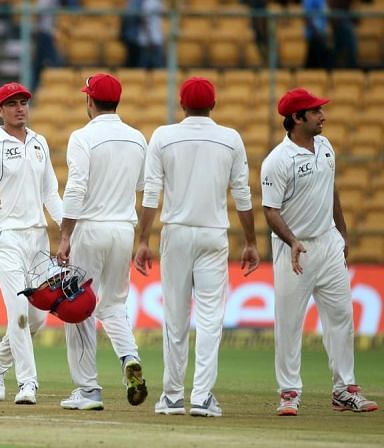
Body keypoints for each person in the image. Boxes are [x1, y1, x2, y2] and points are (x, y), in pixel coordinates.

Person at [133, 77, 260, 417]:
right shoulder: (230, 138)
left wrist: (143, 239)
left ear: (182, 105)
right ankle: (202, 397)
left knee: (174, 319)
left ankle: (173, 397)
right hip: (212, 234)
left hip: (176, 233)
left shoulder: (164, 135)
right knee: (210, 318)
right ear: (213, 105)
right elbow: (243, 196)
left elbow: (151, 194)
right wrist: (250, 241)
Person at [261, 88, 379, 416]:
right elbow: (270, 211)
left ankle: (344, 389)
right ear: (297, 118)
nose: (323, 116)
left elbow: (332, 188)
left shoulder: (325, 146)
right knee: (289, 322)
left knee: (341, 315)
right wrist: (293, 241)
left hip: (328, 244)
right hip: (294, 250)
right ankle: (288, 393)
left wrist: (342, 233)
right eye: (315, 112)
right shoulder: (277, 161)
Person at [55, 73, 148, 411]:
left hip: (91, 228)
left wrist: (65, 234)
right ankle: (129, 358)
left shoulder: (83, 137)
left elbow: (76, 189)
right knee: (113, 304)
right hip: (123, 228)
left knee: (77, 306)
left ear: (90, 101)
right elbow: (141, 185)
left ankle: (88, 390)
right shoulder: (138, 138)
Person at [0, 82, 63, 405]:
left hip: (37, 236)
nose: (20, 108)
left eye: (23, 102)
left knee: (38, 316)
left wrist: (67, 228)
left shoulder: (40, 143)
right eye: (12, 104)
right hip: (4, 235)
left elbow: (50, 191)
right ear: (0, 111)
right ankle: (27, 383)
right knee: (19, 311)